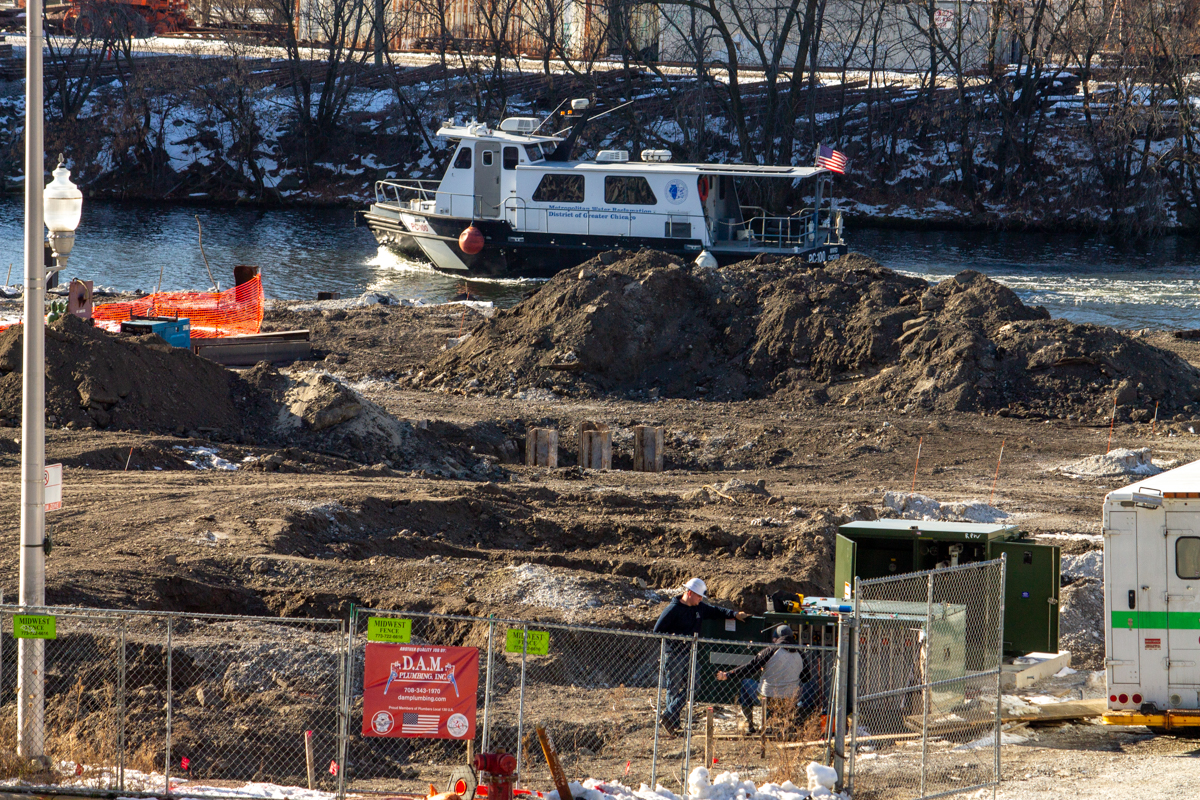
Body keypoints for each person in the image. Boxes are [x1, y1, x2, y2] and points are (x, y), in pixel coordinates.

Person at [653, 577, 750, 734]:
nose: (701, 599)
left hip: (690, 654)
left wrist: (734, 614)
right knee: (674, 688)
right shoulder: (673, 609)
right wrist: (674, 645)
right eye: (699, 596)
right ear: (690, 593)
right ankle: (673, 725)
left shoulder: (699, 608)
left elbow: (716, 611)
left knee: (694, 686)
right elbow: (657, 632)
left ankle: (669, 715)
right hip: (674, 656)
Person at [716, 624, 810, 734]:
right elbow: (806, 678)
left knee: (746, 683)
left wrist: (729, 674)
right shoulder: (800, 653)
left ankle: (748, 724)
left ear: (777, 637)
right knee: (800, 687)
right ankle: (786, 723)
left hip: (767, 697)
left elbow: (750, 667)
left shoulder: (770, 650)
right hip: (789, 698)